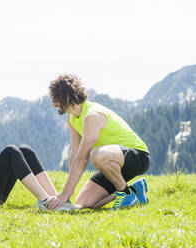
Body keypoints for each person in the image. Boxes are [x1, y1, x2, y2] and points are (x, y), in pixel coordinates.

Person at [45, 74, 150, 210]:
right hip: (113, 163)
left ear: (67, 97)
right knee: (84, 202)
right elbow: (75, 155)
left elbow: (82, 159)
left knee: (96, 155)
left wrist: (63, 195)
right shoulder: (72, 118)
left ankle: (126, 195)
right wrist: (67, 194)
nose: (53, 103)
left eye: (56, 98)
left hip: (137, 157)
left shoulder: (92, 115)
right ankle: (134, 190)